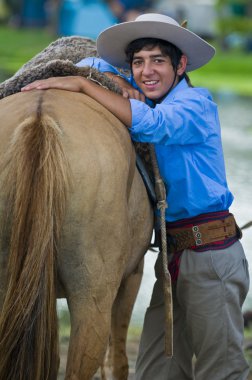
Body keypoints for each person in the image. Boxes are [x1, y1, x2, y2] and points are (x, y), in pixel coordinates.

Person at [21, 13, 250, 380]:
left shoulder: (196, 105)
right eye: (138, 63)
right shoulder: (145, 95)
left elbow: (152, 125)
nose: (147, 72)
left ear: (181, 65)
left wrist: (83, 87)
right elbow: (89, 61)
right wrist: (108, 77)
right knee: (157, 370)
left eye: (159, 61)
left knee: (221, 370)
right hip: (173, 259)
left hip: (211, 257)